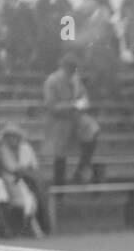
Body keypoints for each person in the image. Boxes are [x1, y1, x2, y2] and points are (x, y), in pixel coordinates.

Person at [43, 52, 100, 184]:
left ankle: (82, 167)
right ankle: (59, 187)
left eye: (74, 68)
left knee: (93, 129)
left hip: (76, 118)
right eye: (69, 68)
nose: (72, 71)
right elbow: (51, 106)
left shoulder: (75, 79)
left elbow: (84, 96)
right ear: (63, 67)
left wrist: (84, 102)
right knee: (60, 154)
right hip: (59, 120)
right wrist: (72, 105)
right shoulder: (52, 81)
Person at [0, 123, 46, 237]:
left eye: (14, 136)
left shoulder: (26, 148)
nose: (12, 139)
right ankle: (22, 228)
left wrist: (25, 173)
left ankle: (33, 228)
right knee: (20, 202)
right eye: (9, 136)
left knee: (33, 200)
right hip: (9, 181)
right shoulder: (2, 150)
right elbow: (6, 168)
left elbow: (34, 166)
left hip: (28, 180)